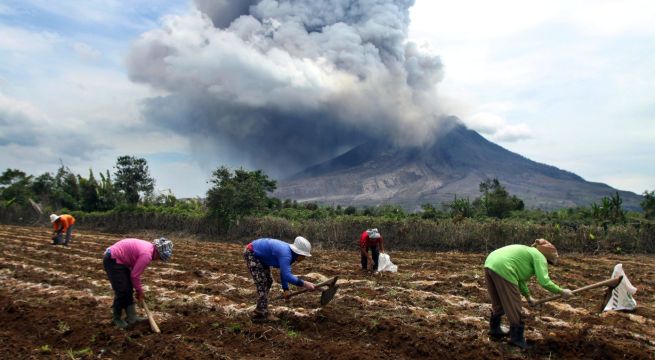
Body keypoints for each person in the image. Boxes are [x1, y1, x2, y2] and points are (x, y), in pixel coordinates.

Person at [484, 239, 573, 349]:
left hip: (490, 263)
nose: (547, 265)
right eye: (548, 263)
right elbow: (544, 281)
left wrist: (528, 297)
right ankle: (516, 338)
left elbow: (519, 279)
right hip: (504, 267)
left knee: (498, 301)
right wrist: (561, 291)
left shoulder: (529, 252)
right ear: (547, 258)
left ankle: (495, 329)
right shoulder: (539, 256)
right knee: (514, 305)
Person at [103, 237, 173, 329]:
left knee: (128, 288)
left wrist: (136, 288)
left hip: (121, 261)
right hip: (113, 259)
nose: (157, 260)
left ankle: (132, 317)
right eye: (160, 258)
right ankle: (116, 318)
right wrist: (139, 291)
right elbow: (135, 275)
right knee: (122, 290)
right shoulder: (147, 255)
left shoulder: (149, 248)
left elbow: (133, 268)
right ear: (159, 253)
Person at [243, 236, 317, 322]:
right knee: (263, 282)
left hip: (260, 255)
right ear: (299, 253)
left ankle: (261, 308)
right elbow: (287, 276)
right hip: (252, 253)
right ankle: (261, 313)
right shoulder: (286, 254)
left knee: (268, 281)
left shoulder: (291, 255)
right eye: (304, 255)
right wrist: (305, 284)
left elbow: (283, 272)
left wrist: (286, 289)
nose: (304, 258)